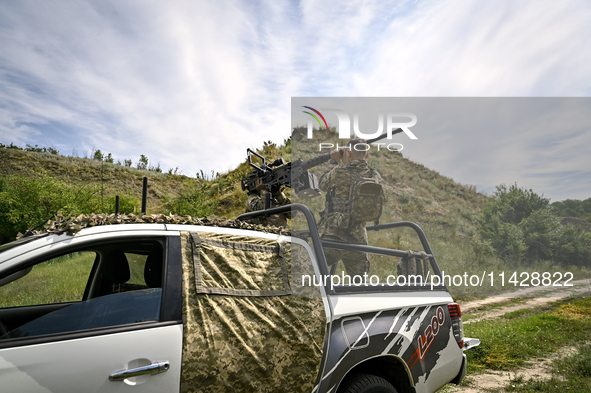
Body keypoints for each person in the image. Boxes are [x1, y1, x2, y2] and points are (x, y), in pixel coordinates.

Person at [318, 138, 383, 278]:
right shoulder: (375, 176)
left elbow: (322, 184)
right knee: (359, 285)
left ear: (348, 153)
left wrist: (335, 161)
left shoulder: (339, 172)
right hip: (358, 242)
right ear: (367, 155)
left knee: (310, 273)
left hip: (333, 239)